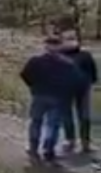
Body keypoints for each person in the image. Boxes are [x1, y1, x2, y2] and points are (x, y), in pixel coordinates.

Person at [19, 34, 88, 163]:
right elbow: (77, 81)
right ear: (59, 46)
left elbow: (24, 75)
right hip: (58, 97)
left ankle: (34, 149)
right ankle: (48, 150)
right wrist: (67, 93)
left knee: (36, 122)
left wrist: (33, 86)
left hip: (39, 95)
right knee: (53, 125)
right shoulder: (67, 64)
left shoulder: (35, 60)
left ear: (45, 45)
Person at [60, 28, 97, 154]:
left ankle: (86, 142)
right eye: (68, 39)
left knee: (84, 116)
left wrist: (90, 83)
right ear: (62, 41)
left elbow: (92, 72)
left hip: (83, 90)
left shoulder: (85, 55)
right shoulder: (59, 55)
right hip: (64, 90)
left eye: (73, 38)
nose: (71, 41)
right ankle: (70, 140)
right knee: (66, 115)